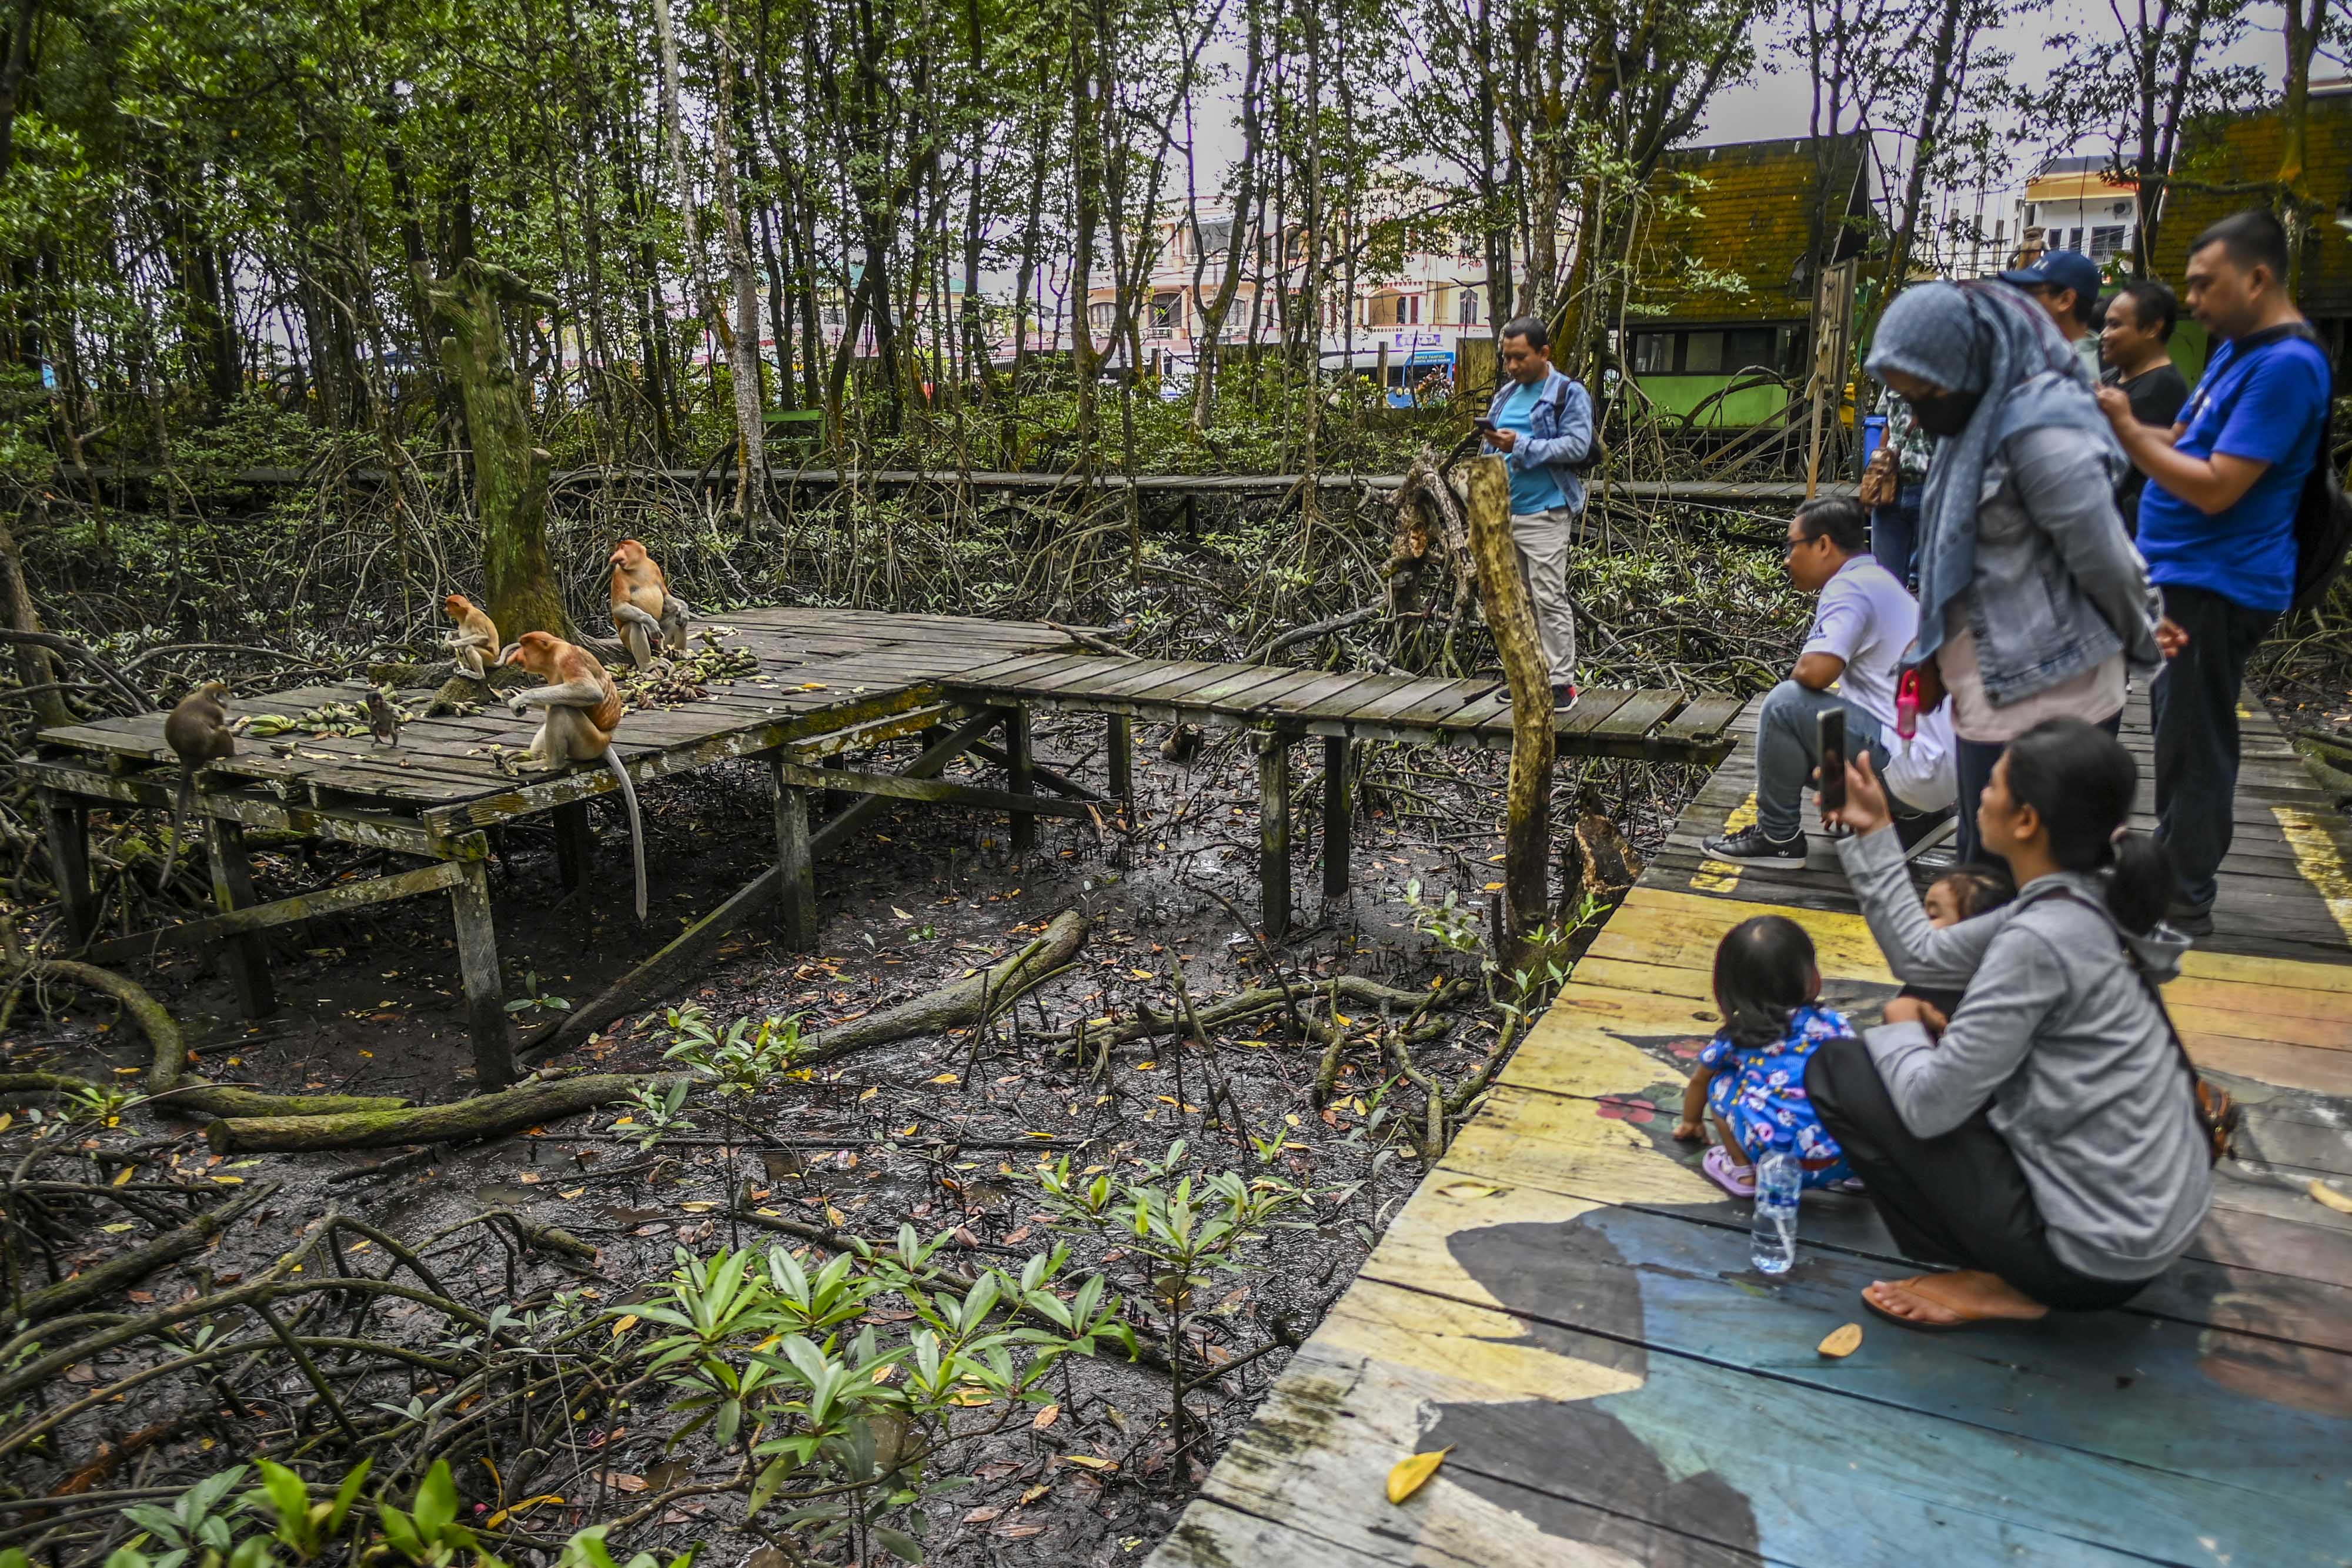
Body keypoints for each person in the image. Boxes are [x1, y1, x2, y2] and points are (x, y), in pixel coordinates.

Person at [1807, 719, 2212, 1330]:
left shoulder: (2039, 939)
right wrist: (1873, 830)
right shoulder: (2084, 896)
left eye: (1992, 786)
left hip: (2089, 1261)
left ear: (2025, 822)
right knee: (1924, 1001)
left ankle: (1999, 1279)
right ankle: (2012, 1259)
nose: (1980, 797)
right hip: (2149, 1222)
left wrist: (1899, 1028)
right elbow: (1924, 957)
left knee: (1842, 1068)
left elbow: (1928, 1108)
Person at [1865, 280, 2162, 865]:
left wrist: (2146, 643)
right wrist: (1931, 656)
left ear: (1964, 365)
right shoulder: (1969, 423)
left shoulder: (2042, 434)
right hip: (1987, 688)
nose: (1917, 413)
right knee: (1981, 868)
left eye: (1923, 390)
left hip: (2051, 694)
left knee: (2028, 875)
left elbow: (2107, 560)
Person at [2096, 209, 2330, 937]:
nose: (2190, 302)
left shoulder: (2286, 366)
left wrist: (2130, 434)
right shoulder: (2239, 350)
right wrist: (2124, 424)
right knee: (2174, 736)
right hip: (2183, 574)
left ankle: (2183, 900)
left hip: (2218, 581)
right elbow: (2190, 441)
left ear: (2258, 278)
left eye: (2205, 285)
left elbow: (2218, 483)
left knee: (2195, 746)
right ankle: (2170, 875)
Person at [1672, 915, 1856, 1198]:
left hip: (1775, 1167)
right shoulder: (1834, 1024)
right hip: (1844, 1161)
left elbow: (1699, 1082)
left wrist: (1692, 1122)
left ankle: (1742, 1171)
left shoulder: (1735, 1039)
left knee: (1720, 1082)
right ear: (1810, 977)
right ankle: (1860, 1177)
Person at [1479, 315, 1595, 704]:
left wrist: (1522, 446)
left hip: (1546, 511)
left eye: (1520, 357)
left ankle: (1561, 683)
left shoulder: (1567, 393)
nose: (1511, 366)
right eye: (1506, 358)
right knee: (1517, 600)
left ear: (1543, 353)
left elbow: (1577, 446)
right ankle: (1528, 678)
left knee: (1548, 597)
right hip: (1504, 513)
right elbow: (1492, 448)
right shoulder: (1506, 394)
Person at [2097, 279, 2190, 532]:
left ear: (2151, 329)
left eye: (2115, 325)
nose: (2104, 335)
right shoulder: (2113, 377)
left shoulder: (2159, 390)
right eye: (2106, 324)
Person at [1895, 862, 2017, 1023]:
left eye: (1933, 916)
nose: (1920, 923)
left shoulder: (1964, 1007)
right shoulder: (1927, 980)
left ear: (1974, 933)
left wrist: (1900, 1018)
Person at [1997, 249, 2104, 383]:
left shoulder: (2071, 374)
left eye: (2029, 294)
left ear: (2065, 300)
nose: (2019, 302)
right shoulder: (2098, 355)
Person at [1864, 394, 1934, 589]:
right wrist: (1879, 468)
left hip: (1932, 487)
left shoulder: (1950, 375)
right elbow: (1887, 424)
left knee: (1934, 586)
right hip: (1891, 487)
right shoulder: (1891, 374)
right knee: (1886, 582)